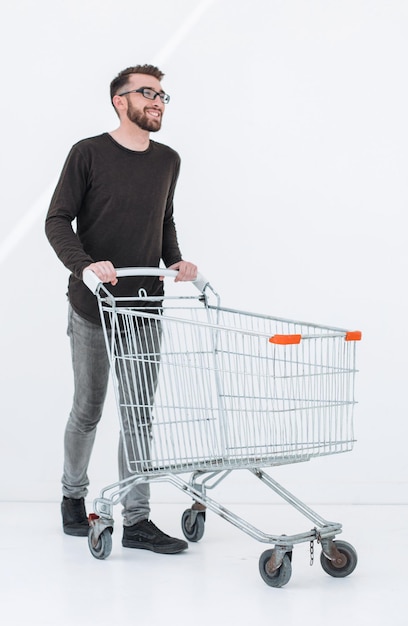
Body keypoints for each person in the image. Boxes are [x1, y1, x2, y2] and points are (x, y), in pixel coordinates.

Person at [45, 64, 197, 554]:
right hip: (93, 305)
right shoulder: (87, 153)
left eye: (162, 94)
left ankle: (136, 520)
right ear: (120, 100)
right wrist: (85, 266)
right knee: (88, 410)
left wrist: (175, 262)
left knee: (138, 415)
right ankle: (73, 497)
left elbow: (163, 220)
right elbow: (57, 221)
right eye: (147, 92)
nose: (158, 101)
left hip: (145, 309)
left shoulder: (168, 159)